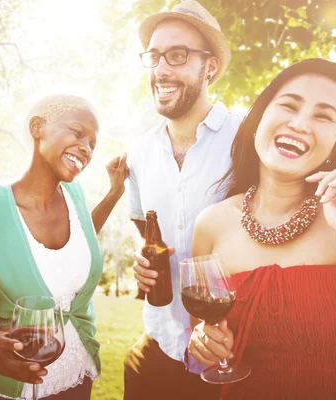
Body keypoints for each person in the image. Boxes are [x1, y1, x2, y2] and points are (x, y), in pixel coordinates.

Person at [186, 58, 336, 399]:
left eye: (324, 115)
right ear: (258, 121)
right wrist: (204, 340)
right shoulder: (211, 223)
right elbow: (203, 323)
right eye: (288, 105)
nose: (300, 124)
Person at [0, 94, 128, 400]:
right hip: (11, 387)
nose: (86, 148)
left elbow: (82, 240)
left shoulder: (74, 194)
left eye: (92, 144)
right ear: (38, 128)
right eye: (77, 133)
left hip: (77, 375)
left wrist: (115, 192)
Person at [125, 1, 239, 398]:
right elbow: (142, 227)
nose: (161, 69)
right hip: (157, 346)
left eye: (178, 55)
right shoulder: (139, 152)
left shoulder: (246, 137)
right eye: (154, 56)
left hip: (230, 355)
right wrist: (141, 258)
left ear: (210, 66)